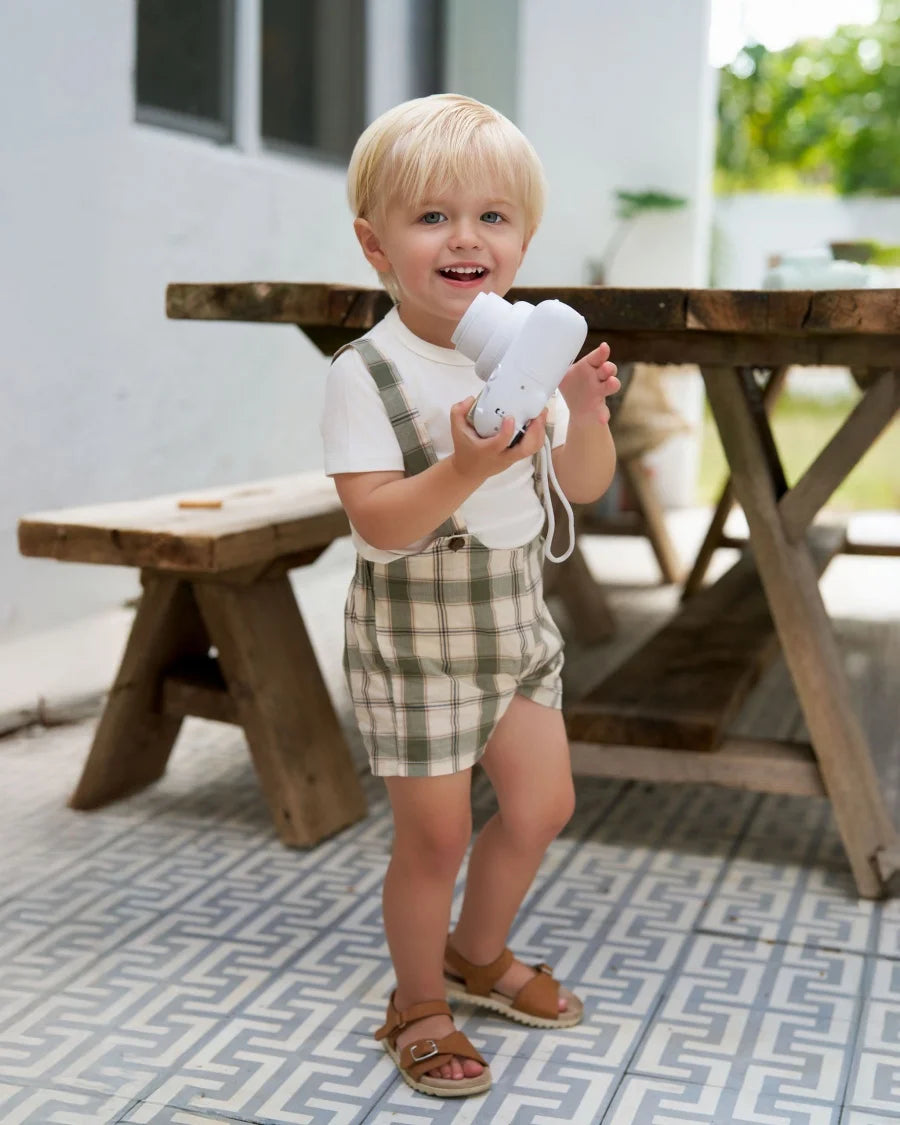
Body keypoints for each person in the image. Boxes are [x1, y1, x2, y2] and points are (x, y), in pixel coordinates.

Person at [320, 93, 619, 1098]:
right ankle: (416, 1002)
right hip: (416, 636)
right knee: (436, 833)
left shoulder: (529, 352)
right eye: (432, 216)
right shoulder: (367, 372)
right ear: (376, 245)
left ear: (523, 241)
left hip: (514, 617)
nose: (466, 238)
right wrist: (463, 467)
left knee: (543, 804)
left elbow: (583, 487)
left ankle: (476, 952)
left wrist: (582, 412)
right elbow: (379, 523)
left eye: (493, 216)